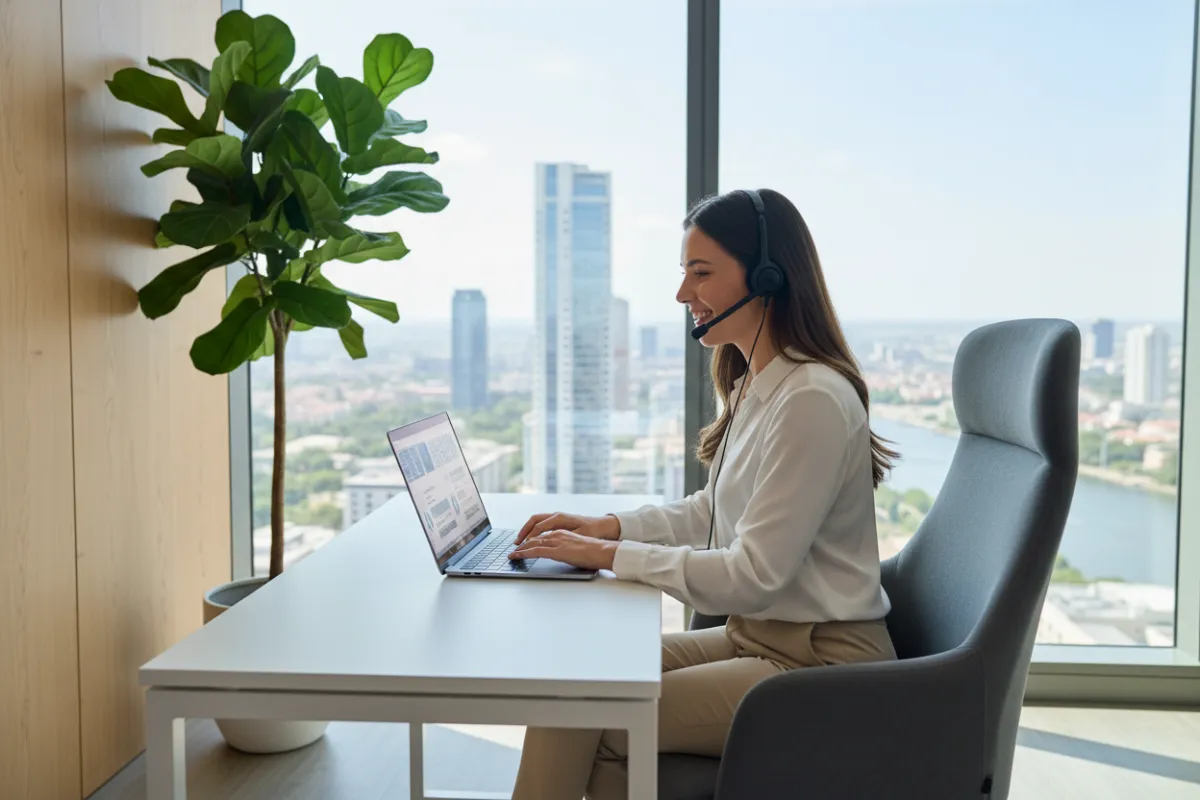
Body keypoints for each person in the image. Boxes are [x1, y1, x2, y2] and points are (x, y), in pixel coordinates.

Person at [507, 188, 899, 800]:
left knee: (603, 719)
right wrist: (604, 527)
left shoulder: (812, 399)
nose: (683, 294)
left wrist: (609, 558)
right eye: (683, 273)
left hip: (820, 666)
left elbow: (753, 575)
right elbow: (708, 512)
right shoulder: (758, 384)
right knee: (573, 683)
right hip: (760, 639)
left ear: (768, 275)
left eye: (702, 272)